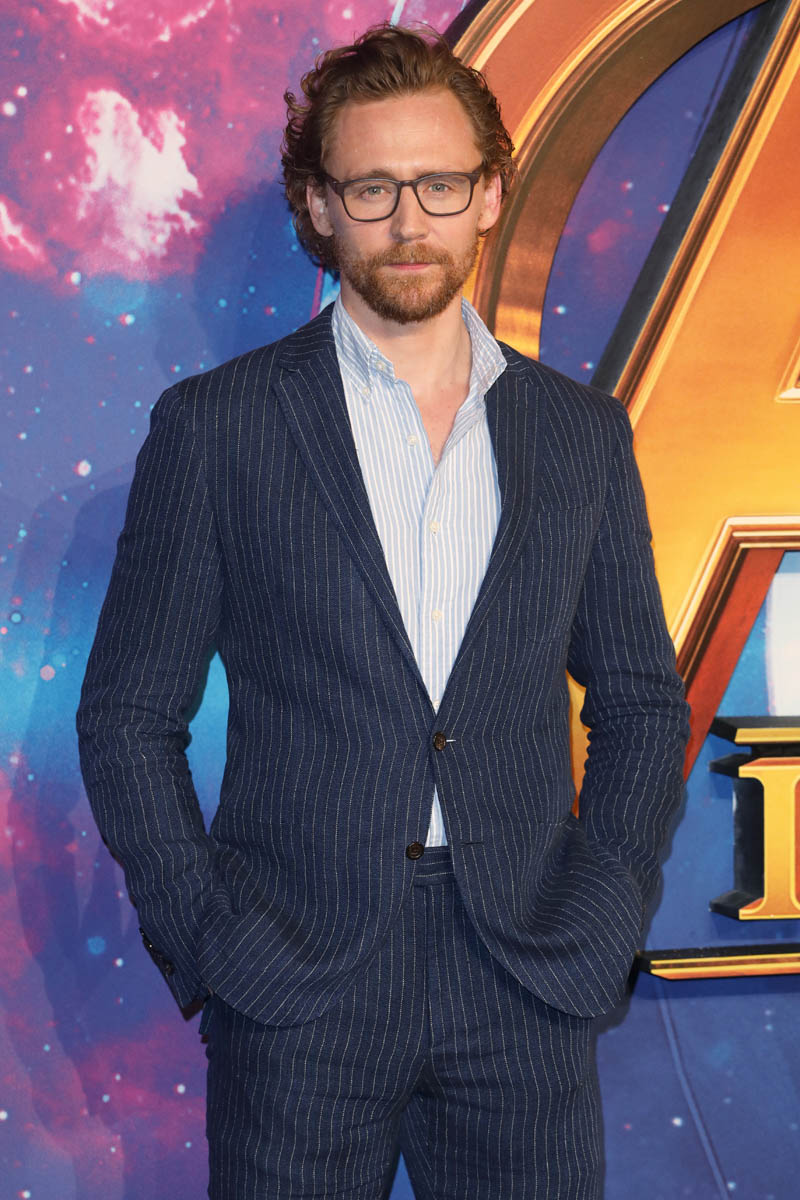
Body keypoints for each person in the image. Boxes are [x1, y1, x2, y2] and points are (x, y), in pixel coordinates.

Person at [77, 22, 690, 1200]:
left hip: (525, 978)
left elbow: (638, 703)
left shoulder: (578, 433)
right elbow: (125, 719)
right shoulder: (217, 428)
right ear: (319, 205)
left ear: (489, 194)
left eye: (439, 183)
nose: (409, 220)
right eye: (371, 187)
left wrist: (604, 906)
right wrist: (214, 940)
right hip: (296, 984)